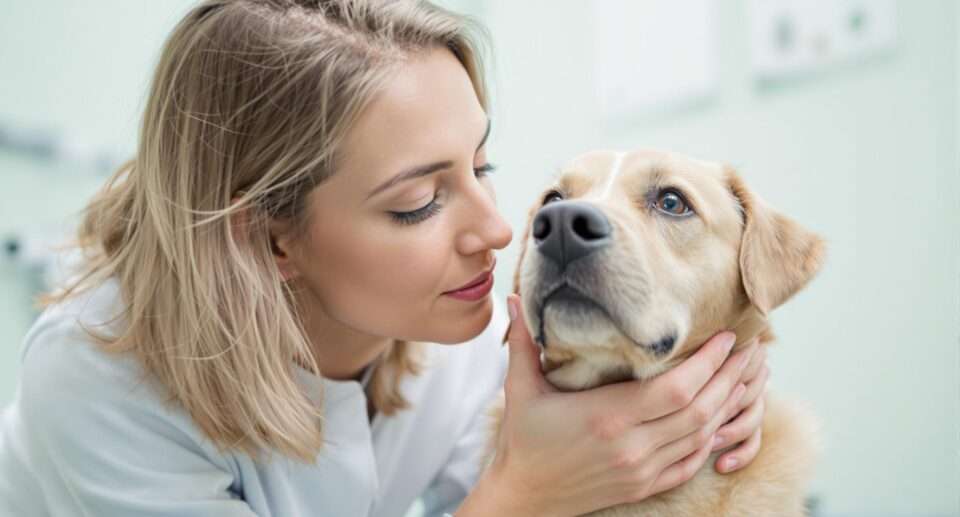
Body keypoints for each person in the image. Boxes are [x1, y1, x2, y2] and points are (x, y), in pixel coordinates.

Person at [0, 1, 770, 515]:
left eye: (483, 167)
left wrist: (702, 402)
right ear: (265, 237)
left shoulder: (459, 328)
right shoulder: (96, 386)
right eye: (418, 203)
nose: (500, 232)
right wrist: (520, 492)